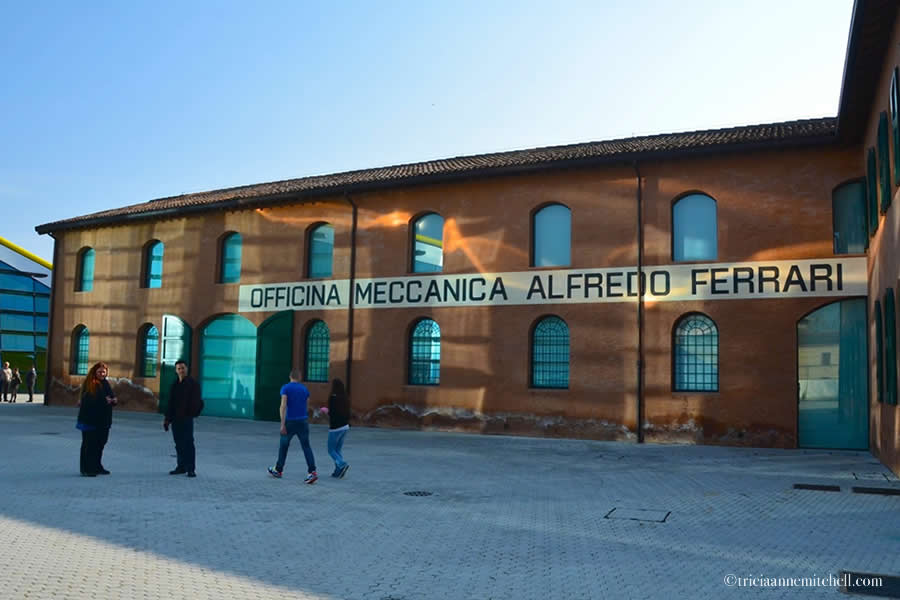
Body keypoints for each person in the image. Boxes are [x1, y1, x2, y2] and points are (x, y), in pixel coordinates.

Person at [267, 368, 317, 483]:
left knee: (284, 446)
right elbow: (307, 406)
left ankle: (278, 470)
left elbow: (283, 406)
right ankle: (312, 471)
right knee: (306, 447)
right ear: (299, 377)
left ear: (290, 377)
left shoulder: (286, 388)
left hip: (290, 422)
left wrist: (282, 424)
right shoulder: (304, 389)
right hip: (303, 421)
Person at [75, 362, 117, 476]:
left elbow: (111, 396)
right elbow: (90, 401)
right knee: (89, 445)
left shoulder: (105, 383)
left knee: (100, 444)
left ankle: (97, 466)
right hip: (90, 420)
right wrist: (105, 401)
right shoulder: (90, 384)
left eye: (104, 372)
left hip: (103, 421)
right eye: (99, 372)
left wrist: (113, 400)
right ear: (95, 372)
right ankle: (87, 469)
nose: (102, 374)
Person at [164, 360, 203, 478]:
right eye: (179, 368)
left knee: (188, 443)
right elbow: (170, 403)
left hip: (186, 419)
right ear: (176, 371)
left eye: (183, 368)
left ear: (187, 369)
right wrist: (167, 419)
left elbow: (197, 402)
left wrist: (191, 413)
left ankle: (191, 468)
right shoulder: (175, 384)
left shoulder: (193, 384)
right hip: (175, 419)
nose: (181, 370)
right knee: (178, 443)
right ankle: (181, 466)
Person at [325, 378, 351, 478]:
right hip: (345, 426)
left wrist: (325, 411)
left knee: (331, 450)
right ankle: (338, 471)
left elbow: (332, 413)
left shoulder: (332, 397)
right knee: (337, 450)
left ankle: (342, 463)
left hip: (335, 427)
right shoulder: (345, 397)